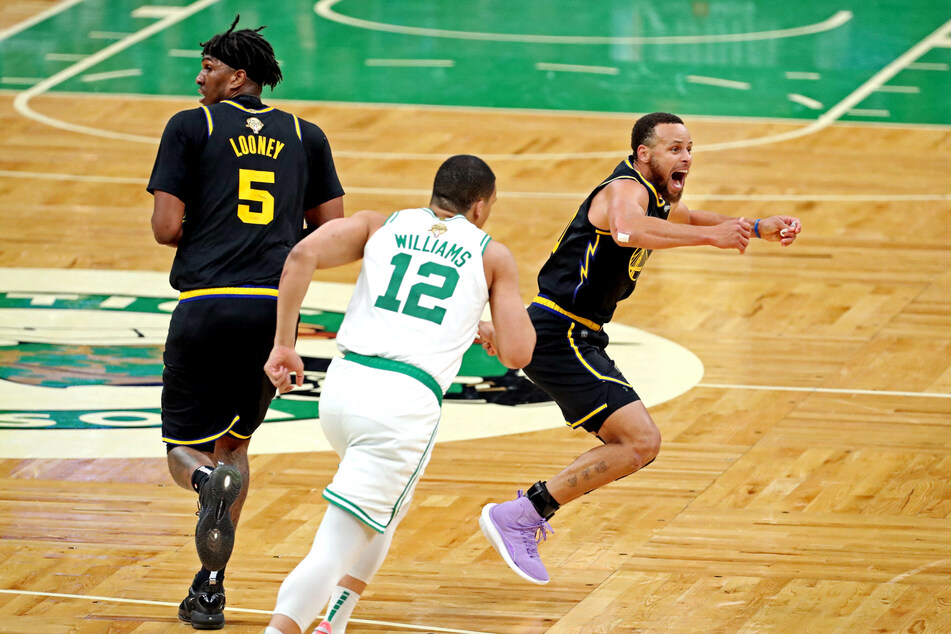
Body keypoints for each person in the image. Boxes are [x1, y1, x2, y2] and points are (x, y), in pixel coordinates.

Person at [478, 112, 803, 585]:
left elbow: (687, 218)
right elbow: (629, 229)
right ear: (643, 154)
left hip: (570, 330)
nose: (687, 157)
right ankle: (520, 515)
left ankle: (499, 335)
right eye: (675, 148)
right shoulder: (624, 190)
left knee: (636, 443)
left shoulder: (651, 195)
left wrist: (754, 227)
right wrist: (713, 238)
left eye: (690, 148)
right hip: (563, 334)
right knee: (639, 442)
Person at [260, 155, 535, 634]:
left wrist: (285, 343)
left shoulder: (378, 224)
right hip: (400, 406)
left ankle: (335, 624)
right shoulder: (491, 254)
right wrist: (492, 317)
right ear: (479, 206)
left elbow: (301, 255)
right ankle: (281, 628)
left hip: (342, 391)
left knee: (387, 507)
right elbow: (517, 353)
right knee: (335, 544)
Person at [147, 15, 344, 630]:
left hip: (205, 306)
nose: (198, 76)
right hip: (269, 312)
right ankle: (210, 588)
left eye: (208, 67)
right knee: (237, 445)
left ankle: (205, 481)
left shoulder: (190, 126)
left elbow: (165, 229)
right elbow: (330, 228)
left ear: (239, 77)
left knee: (185, 447)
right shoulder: (305, 134)